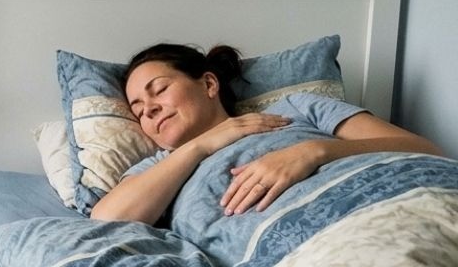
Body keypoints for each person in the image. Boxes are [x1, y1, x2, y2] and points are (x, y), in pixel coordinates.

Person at [91, 43, 443, 225]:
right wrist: (201, 146)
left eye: (159, 90)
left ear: (209, 83)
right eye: (137, 109)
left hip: (396, 203)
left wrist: (311, 153)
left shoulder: (298, 107)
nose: (148, 109)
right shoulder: (157, 170)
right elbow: (107, 218)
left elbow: (426, 151)